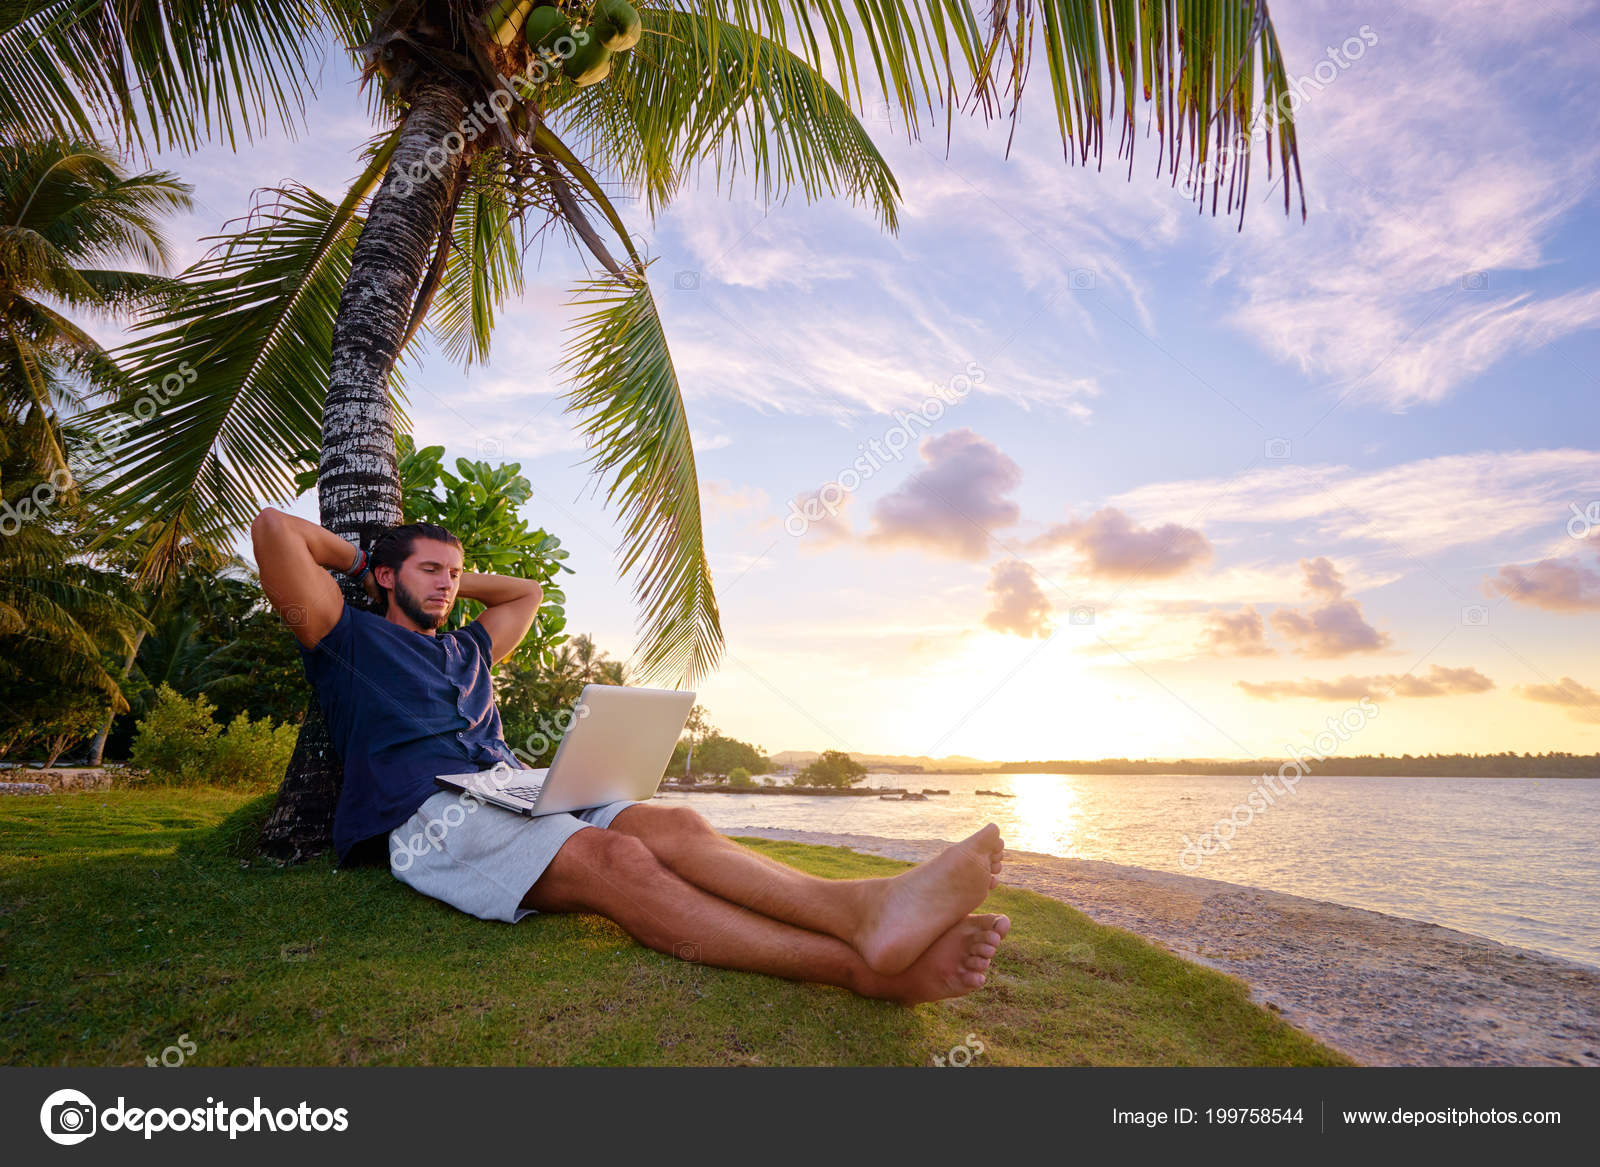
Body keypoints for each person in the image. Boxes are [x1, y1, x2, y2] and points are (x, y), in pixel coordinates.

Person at [251, 506, 1010, 1003]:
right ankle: (856, 966)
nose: (451, 586)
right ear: (384, 577)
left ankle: (864, 911)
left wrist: (435, 565)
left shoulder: (467, 647)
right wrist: (372, 556)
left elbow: (526, 591)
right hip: (428, 812)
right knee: (618, 866)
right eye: (432, 572)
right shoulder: (345, 637)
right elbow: (274, 531)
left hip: (514, 784)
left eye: (455, 573)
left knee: (672, 825)